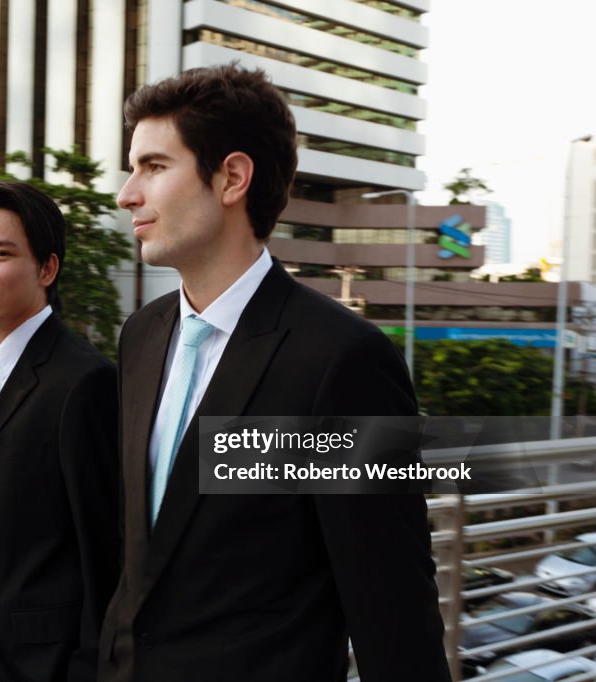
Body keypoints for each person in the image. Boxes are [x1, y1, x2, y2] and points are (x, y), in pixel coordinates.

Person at [98, 63, 451, 681]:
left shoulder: (345, 360)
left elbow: (393, 609)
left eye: (153, 167)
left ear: (232, 177)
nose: (128, 193)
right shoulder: (140, 337)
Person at [0, 181, 119, 682]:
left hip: (49, 667)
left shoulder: (85, 381)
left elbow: (106, 556)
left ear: (47, 268)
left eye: (1, 254)